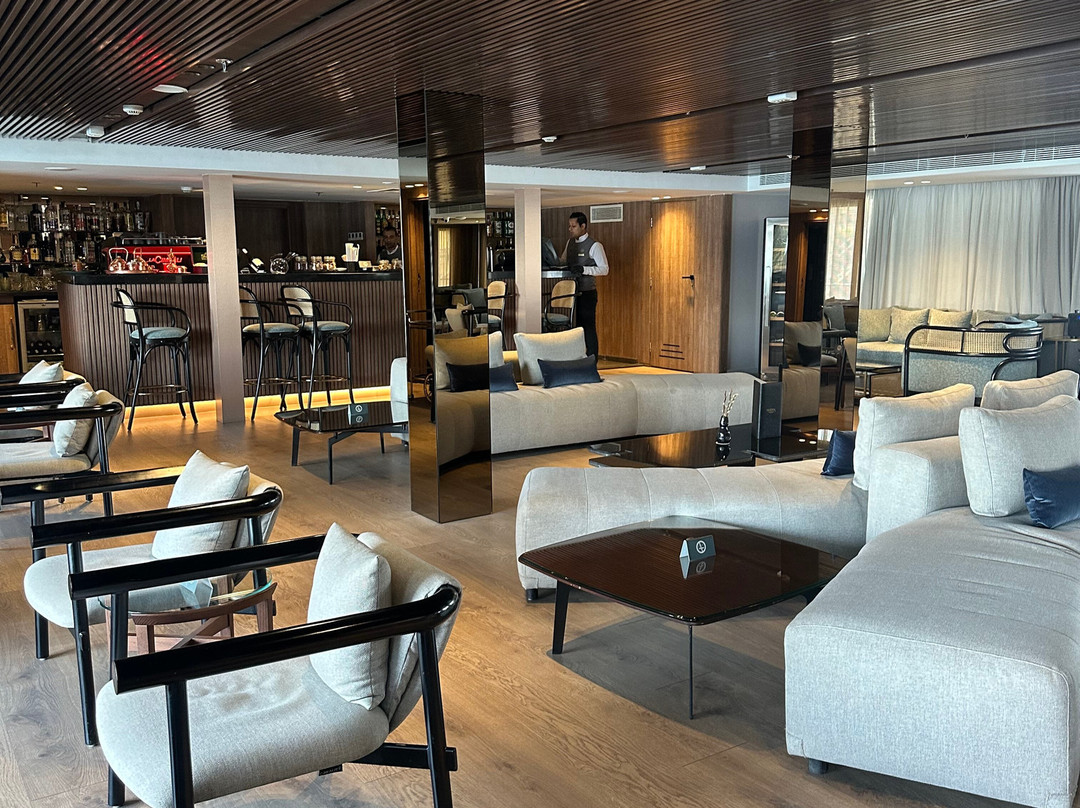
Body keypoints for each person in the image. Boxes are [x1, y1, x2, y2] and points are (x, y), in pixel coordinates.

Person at [559, 211, 608, 358]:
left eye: (573, 226)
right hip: (571, 293)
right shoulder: (570, 243)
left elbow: (604, 269)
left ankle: (592, 359)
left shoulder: (595, 246)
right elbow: (563, 261)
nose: (570, 229)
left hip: (587, 293)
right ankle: (577, 359)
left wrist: (584, 269)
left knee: (588, 327)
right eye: (569, 226)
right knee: (576, 328)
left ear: (583, 226)